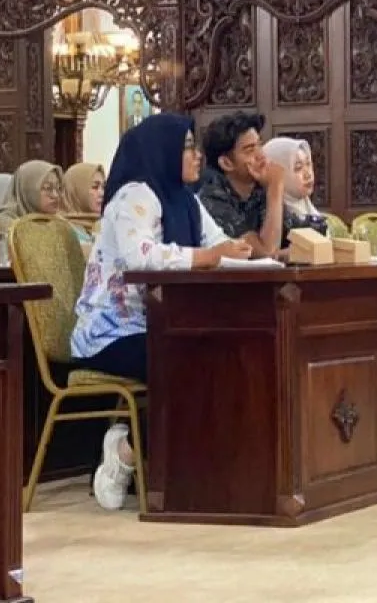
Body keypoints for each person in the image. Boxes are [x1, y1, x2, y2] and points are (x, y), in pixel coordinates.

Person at [70, 113, 251, 511]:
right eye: (187, 147)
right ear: (162, 150)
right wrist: (208, 256)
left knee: (225, 355)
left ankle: (199, 470)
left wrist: (241, 253)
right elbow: (142, 256)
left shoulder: (186, 199)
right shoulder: (135, 195)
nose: (197, 155)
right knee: (190, 362)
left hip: (163, 324)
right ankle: (126, 454)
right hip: (112, 331)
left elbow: (220, 244)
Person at [197, 111, 285, 257]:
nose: (261, 156)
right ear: (226, 163)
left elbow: (299, 233)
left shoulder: (259, 190)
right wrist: (276, 187)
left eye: (260, 145)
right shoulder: (212, 199)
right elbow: (265, 252)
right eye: (250, 150)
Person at [262, 137, 328, 239]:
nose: (308, 174)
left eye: (308, 164)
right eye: (298, 168)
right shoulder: (271, 221)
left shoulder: (312, 212)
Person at [0, 160, 65, 230]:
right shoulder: (6, 225)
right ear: (28, 190)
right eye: (47, 188)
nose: (56, 195)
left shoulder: (60, 222)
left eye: (58, 188)